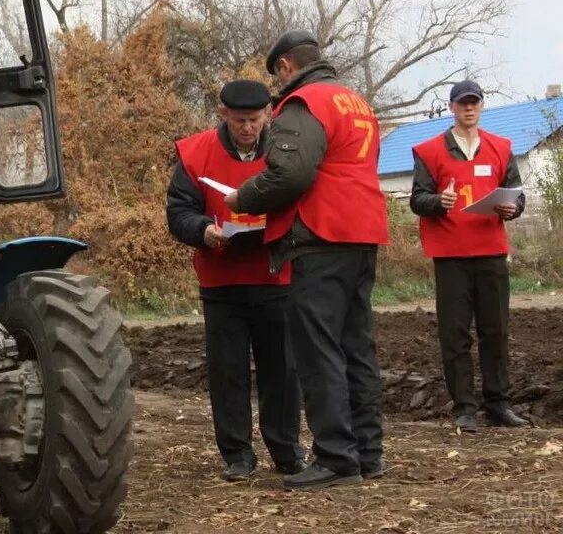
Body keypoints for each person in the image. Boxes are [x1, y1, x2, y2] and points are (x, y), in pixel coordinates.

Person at [224, 30, 388, 490]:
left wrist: (244, 196)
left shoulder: (304, 104)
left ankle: (336, 457)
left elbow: (291, 172)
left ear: (284, 68)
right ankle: (368, 453)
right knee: (357, 345)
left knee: (318, 350)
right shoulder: (357, 103)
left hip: (320, 235)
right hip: (362, 233)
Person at [166, 80, 305, 482]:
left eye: (256, 120)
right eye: (240, 120)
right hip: (221, 281)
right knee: (228, 372)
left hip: (274, 276)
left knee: (280, 370)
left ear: (268, 116)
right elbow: (178, 211)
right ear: (223, 115)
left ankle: (286, 450)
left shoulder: (286, 150)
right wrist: (202, 231)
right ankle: (238, 456)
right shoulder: (195, 153)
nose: (248, 128)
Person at [409, 80, 529, 431]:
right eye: (463, 104)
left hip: (491, 252)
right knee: (455, 333)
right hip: (450, 256)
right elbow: (418, 199)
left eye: (474, 103)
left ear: (481, 106)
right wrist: (438, 203)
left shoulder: (501, 148)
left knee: (496, 330)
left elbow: (517, 194)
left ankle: (498, 404)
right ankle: (464, 407)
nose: (469, 108)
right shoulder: (430, 151)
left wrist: (513, 208)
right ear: (452, 108)